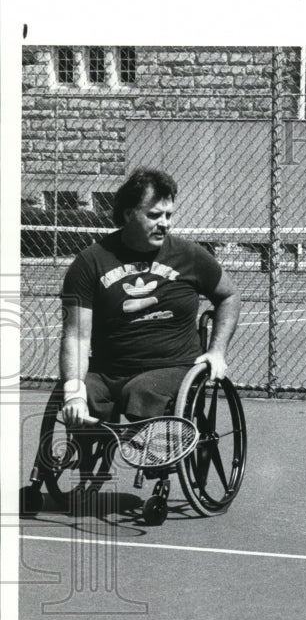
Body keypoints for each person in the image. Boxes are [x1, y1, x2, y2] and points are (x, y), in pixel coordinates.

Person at [59, 167, 241, 435]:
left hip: (171, 369)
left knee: (141, 390)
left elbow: (230, 295)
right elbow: (76, 335)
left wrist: (217, 351)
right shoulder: (90, 262)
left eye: (169, 215)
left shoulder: (190, 256)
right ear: (128, 214)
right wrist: (73, 391)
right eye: (154, 215)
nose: (165, 223)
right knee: (84, 392)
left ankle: (150, 455)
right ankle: (86, 463)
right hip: (109, 371)